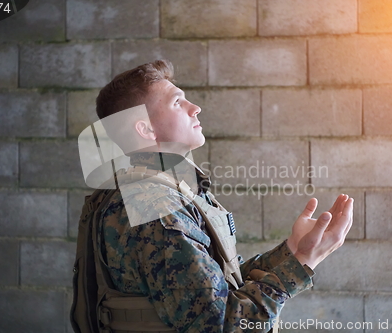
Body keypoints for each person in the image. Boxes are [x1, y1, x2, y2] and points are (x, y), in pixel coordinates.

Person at [80, 59, 353, 332]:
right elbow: (221, 323)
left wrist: (292, 250)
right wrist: (304, 262)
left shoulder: (163, 191)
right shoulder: (156, 207)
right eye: (177, 102)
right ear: (146, 129)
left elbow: (220, 284)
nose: (196, 108)